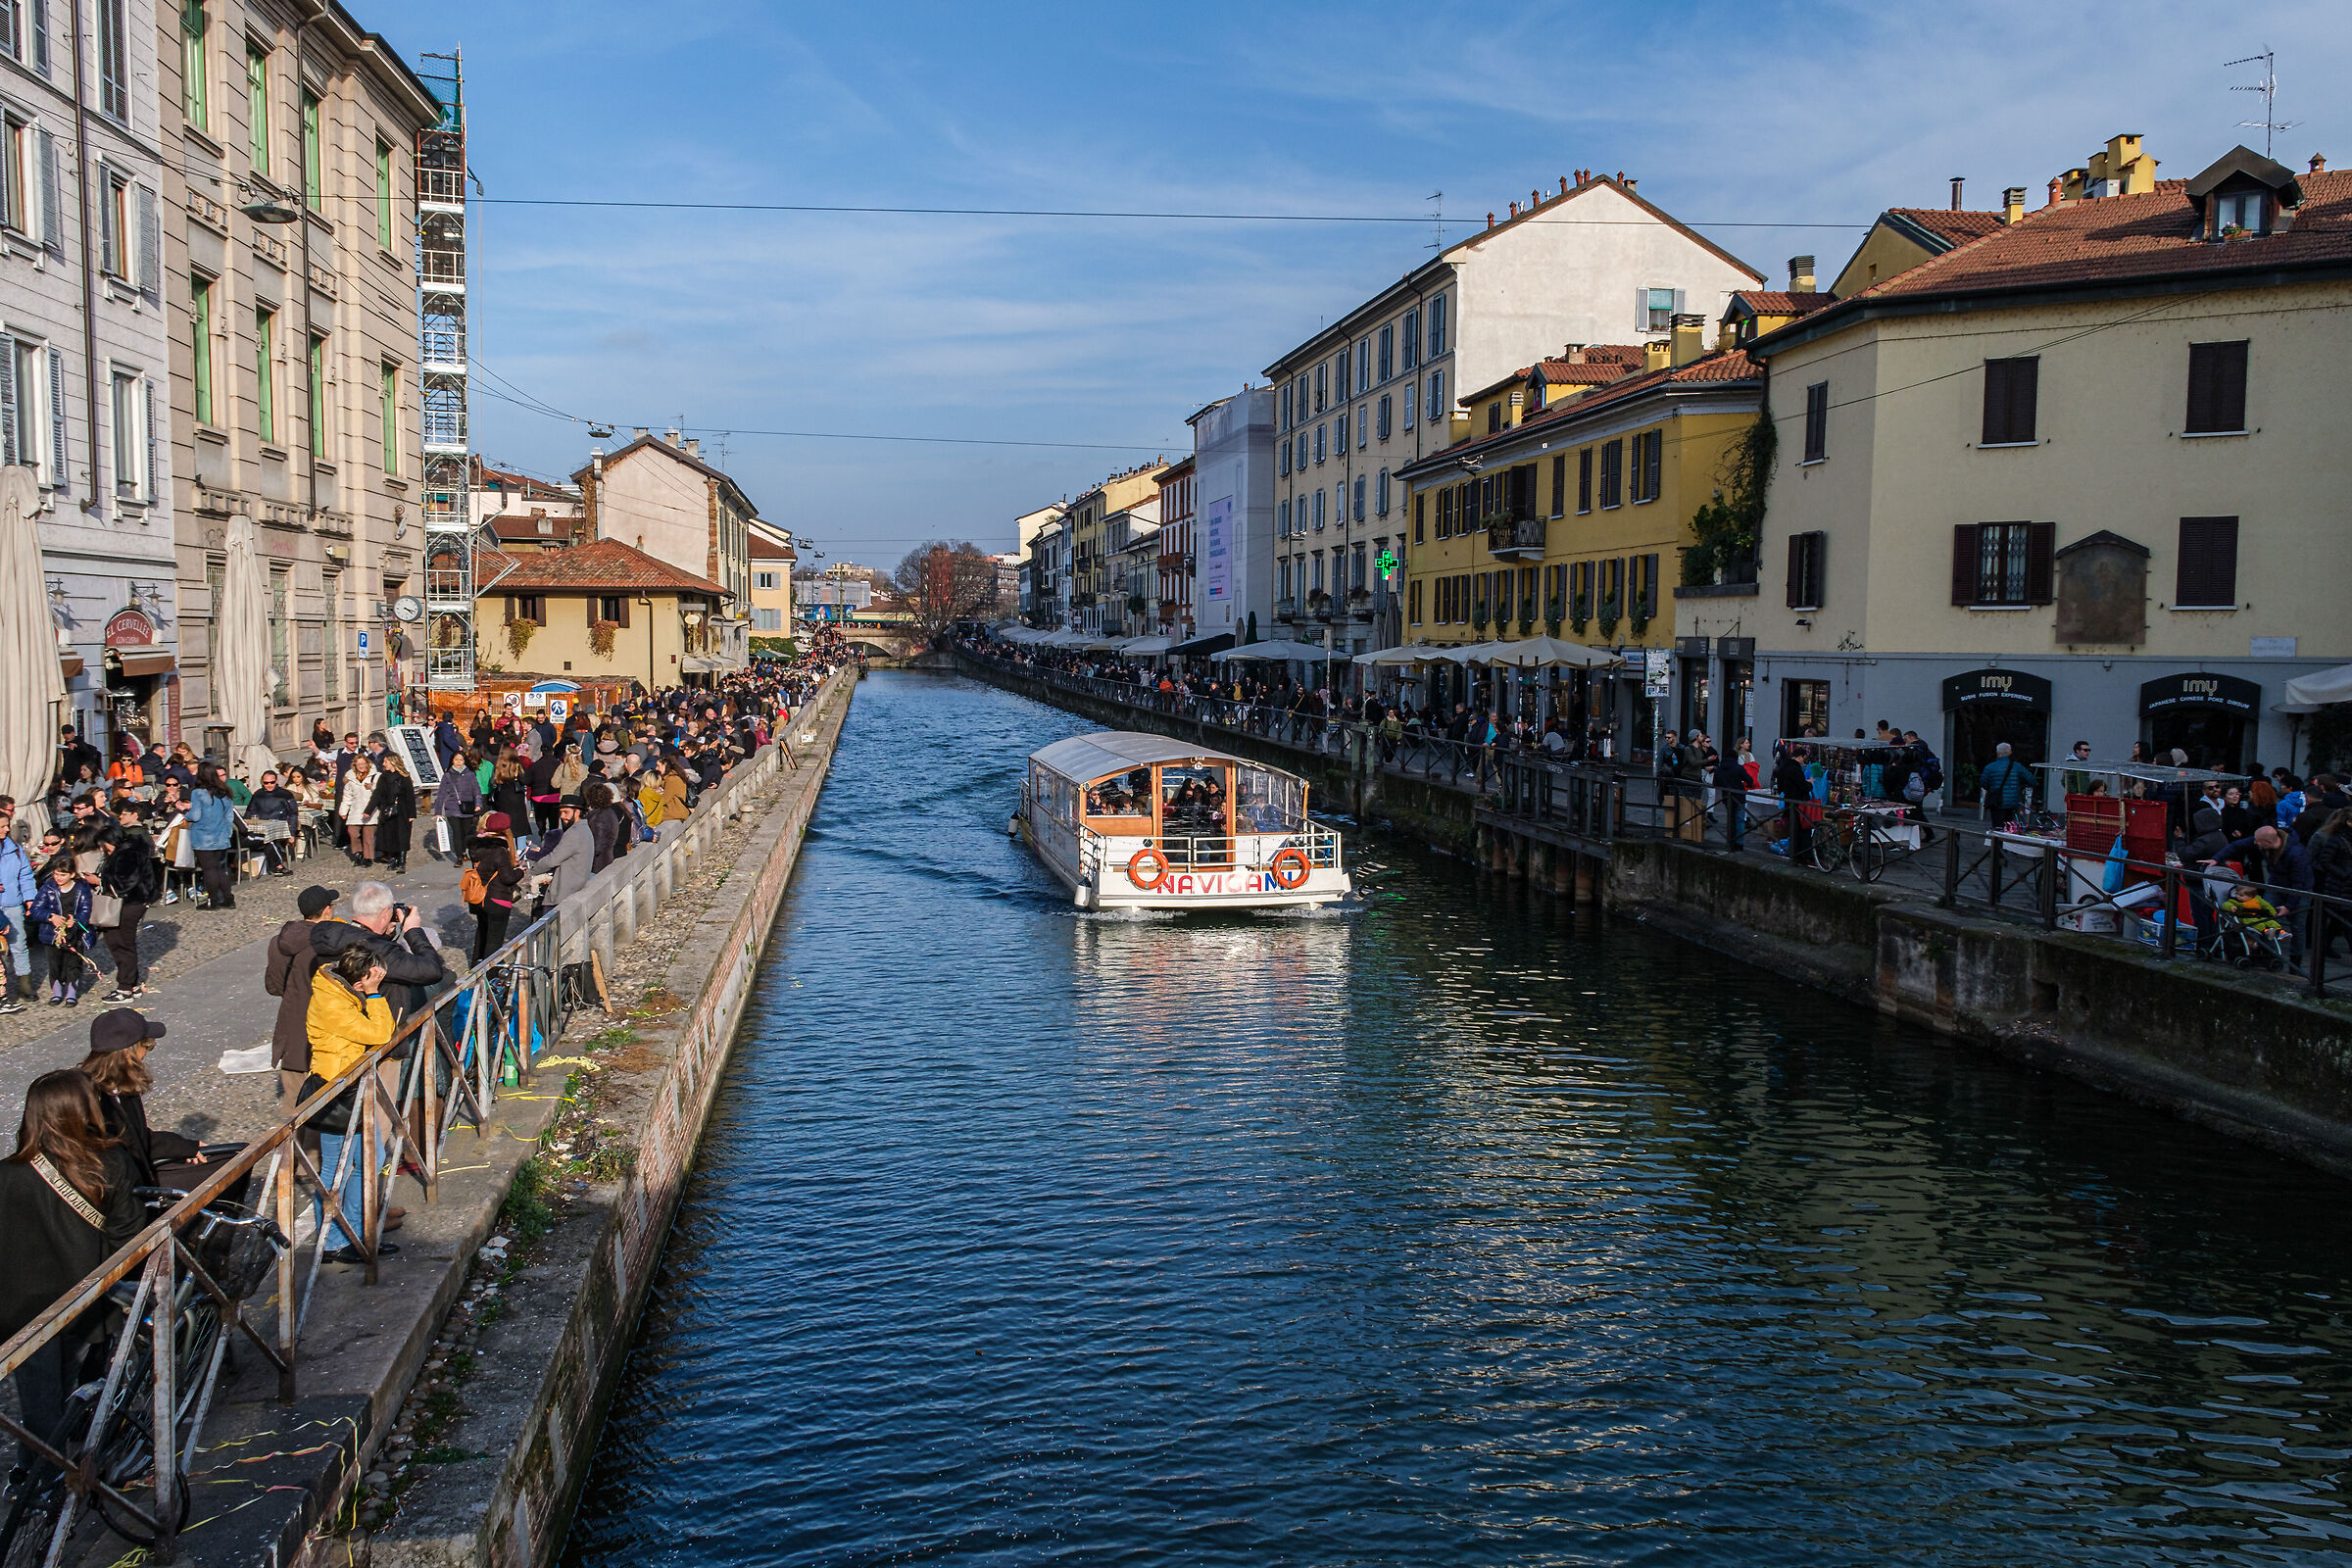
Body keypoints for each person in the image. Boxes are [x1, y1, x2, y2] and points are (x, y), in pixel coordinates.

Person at [0, 1070, 143, 1469]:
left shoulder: (6, 1175)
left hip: (20, 1313)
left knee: (39, 1401)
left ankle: (35, 1478)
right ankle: (49, 1478)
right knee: (66, 1389)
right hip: (84, 1303)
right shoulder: (109, 1164)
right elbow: (131, 1237)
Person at [304, 945, 400, 1264]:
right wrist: (374, 994)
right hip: (335, 1091)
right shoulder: (332, 1002)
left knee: (371, 1159)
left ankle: (357, 1233)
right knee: (336, 1169)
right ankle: (332, 1242)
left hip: (352, 1087)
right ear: (358, 981)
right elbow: (381, 1033)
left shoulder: (340, 989)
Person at [77, 1008, 209, 1190]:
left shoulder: (122, 1088)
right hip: (121, 1191)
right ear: (127, 1052)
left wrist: (185, 1146)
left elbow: (137, 1138)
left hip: (136, 1178)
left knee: (228, 1159)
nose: (147, 1053)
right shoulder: (89, 1098)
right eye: (147, 1046)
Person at [94, 804, 161, 1002]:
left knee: (121, 943)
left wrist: (99, 881)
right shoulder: (129, 850)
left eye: (104, 845)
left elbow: (125, 883)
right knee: (119, 942)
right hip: (133, 901)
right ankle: (132, 984)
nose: (102, 849)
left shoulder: (127, 854)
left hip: (131, 902)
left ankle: (125, 987)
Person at [29, 857, 92, 1004]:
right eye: (56, 874)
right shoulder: (48, 887)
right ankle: (57, 993)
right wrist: (50, 917)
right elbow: (35, 910)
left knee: (73, 964)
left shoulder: (82, 888)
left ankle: (71, 993)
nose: (58, 878)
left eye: (63, 875)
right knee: (55, 964)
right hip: (52, 933)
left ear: (72, 874)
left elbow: (86, 910)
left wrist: (75, 921)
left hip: (75, 933)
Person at [186, 762, 238, 909]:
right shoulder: (225, 792)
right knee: (220, 869)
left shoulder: (198, 793)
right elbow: (229, 817)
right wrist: (227, 834)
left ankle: (213, 900)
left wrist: (185, 814)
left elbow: (195, 815)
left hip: (203, 836)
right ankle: (228, 898)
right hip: (221, 835)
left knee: (209, 869)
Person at [0, 798, 33, 1015]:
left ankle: (24, 984)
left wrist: (30, 899)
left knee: (19, 943)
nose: (7, 829)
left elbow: (26, 876)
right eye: (3, 826)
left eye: (7, 825)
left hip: (12, 903)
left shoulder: (15, 849)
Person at [531, 795, 595, 906]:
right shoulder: (584, 828)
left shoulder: (574, 833)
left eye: (566, 812)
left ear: (577, 812)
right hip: (575, 885)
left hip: (565, 892)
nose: (562, 816)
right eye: (560, 812)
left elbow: (552, 860)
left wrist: (533, 870)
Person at [432, 751, 482, 862]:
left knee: (465, 832)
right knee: (457, 832)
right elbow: (441, 794)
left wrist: (478, 804)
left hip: (467, 807)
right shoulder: (448, 776)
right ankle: (459, 857)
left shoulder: (470, 774)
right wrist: (438, 812)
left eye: (461, 760)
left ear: (464, 761)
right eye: (456, 760)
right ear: (452, 761)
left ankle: (463, 851)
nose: (458, 762)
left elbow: (476, 791)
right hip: (452, 808)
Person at [374, 755, 416, 874]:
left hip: (402, 810)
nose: (383, 764)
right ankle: (393, 858)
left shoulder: (404, 777)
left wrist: (412, 814)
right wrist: (369, 809)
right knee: (390, 835)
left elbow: (410, 796)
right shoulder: (384, 777)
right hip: (388, 810)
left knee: (402, 836)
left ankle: (402, 861)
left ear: (393, 762)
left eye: (386, 761)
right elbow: (378, 794)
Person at [338, 754, 382, 865]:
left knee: (368, 836)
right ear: (355, 765)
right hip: (356, 810)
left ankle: (368, 857)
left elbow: (381, 791)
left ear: (367, 764)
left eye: (363, 763)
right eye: (359, 764)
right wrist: (343, 811)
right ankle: (358, 853)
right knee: (352, 832)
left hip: (371, 809)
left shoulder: (376, 776)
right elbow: (347, 797)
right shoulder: (350, 779)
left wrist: (372, 786)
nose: (361, 766)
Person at [1774, 744, 1813, 861]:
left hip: (1789, 801)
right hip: (1798, 803)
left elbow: (1780, 786)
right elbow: (1802, 786)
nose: (1803, 762)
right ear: (1800, 757)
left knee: (1793, 828)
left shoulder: (1783, 767)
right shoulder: (1796, 769)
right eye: (1804, 759)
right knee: (1801, 829)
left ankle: (1794, 854)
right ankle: (1801, 855)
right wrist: (1809, 783)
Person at [1977, 742, 2032, 820]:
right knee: (2009, 823)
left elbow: (1983, 783)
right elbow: (2030, 779)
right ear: (2010, 753)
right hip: (2012, 802)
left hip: (1996, 802)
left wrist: (1991, 788)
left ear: (1997, 752)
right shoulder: (2017, 766)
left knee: (1997, 824)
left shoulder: (1990, 767)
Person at [1712, 744, 1751, 851]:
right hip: (1739, 797)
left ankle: (1730, 842)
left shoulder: (1719, 769)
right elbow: (1750, 780)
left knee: (1730, 820)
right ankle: (1739, 844)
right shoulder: (1738, 768)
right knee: (1739, 820)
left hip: (1727, 797)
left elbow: (1715, 784)